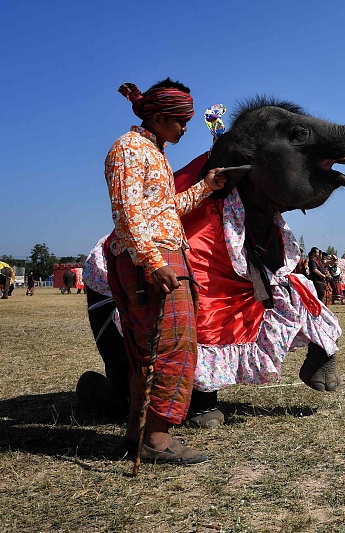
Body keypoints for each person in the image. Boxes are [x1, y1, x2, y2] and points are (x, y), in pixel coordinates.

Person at [106, 77, 227, 464]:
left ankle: (135, 435)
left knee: (151, 352)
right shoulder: (128, 150)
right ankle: (156, 440)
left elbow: (162, 211)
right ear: (158, 117)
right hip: (151, 260)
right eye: (181, 121)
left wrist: (206, 186)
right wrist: (154, 263)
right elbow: (127, 213)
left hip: (162, 254)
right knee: (171, 348)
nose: (186, 128)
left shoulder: (154, 152)